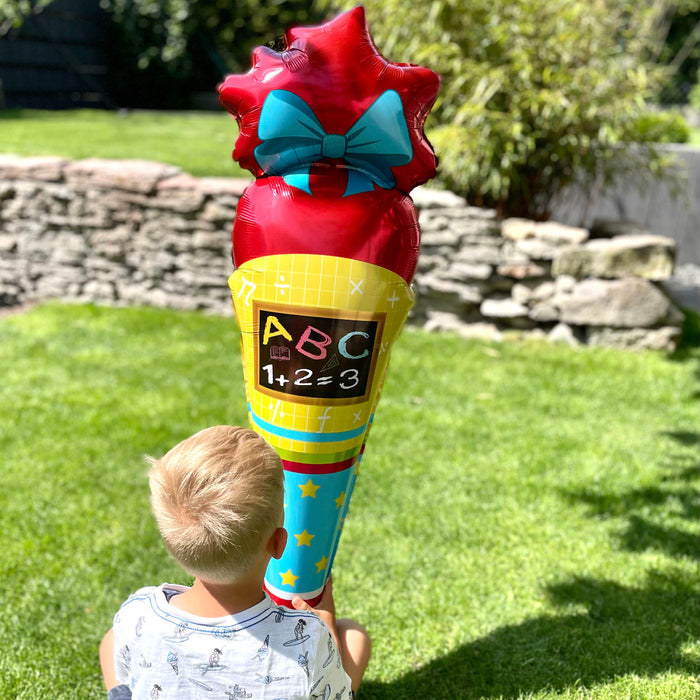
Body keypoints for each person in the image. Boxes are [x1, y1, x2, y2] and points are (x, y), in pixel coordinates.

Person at [99, 425, 371, 699]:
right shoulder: (309, 637)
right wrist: (327, 633)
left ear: (172, 545)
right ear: (278, 543)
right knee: (353, 636)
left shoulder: (139, 613)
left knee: (112, 638)